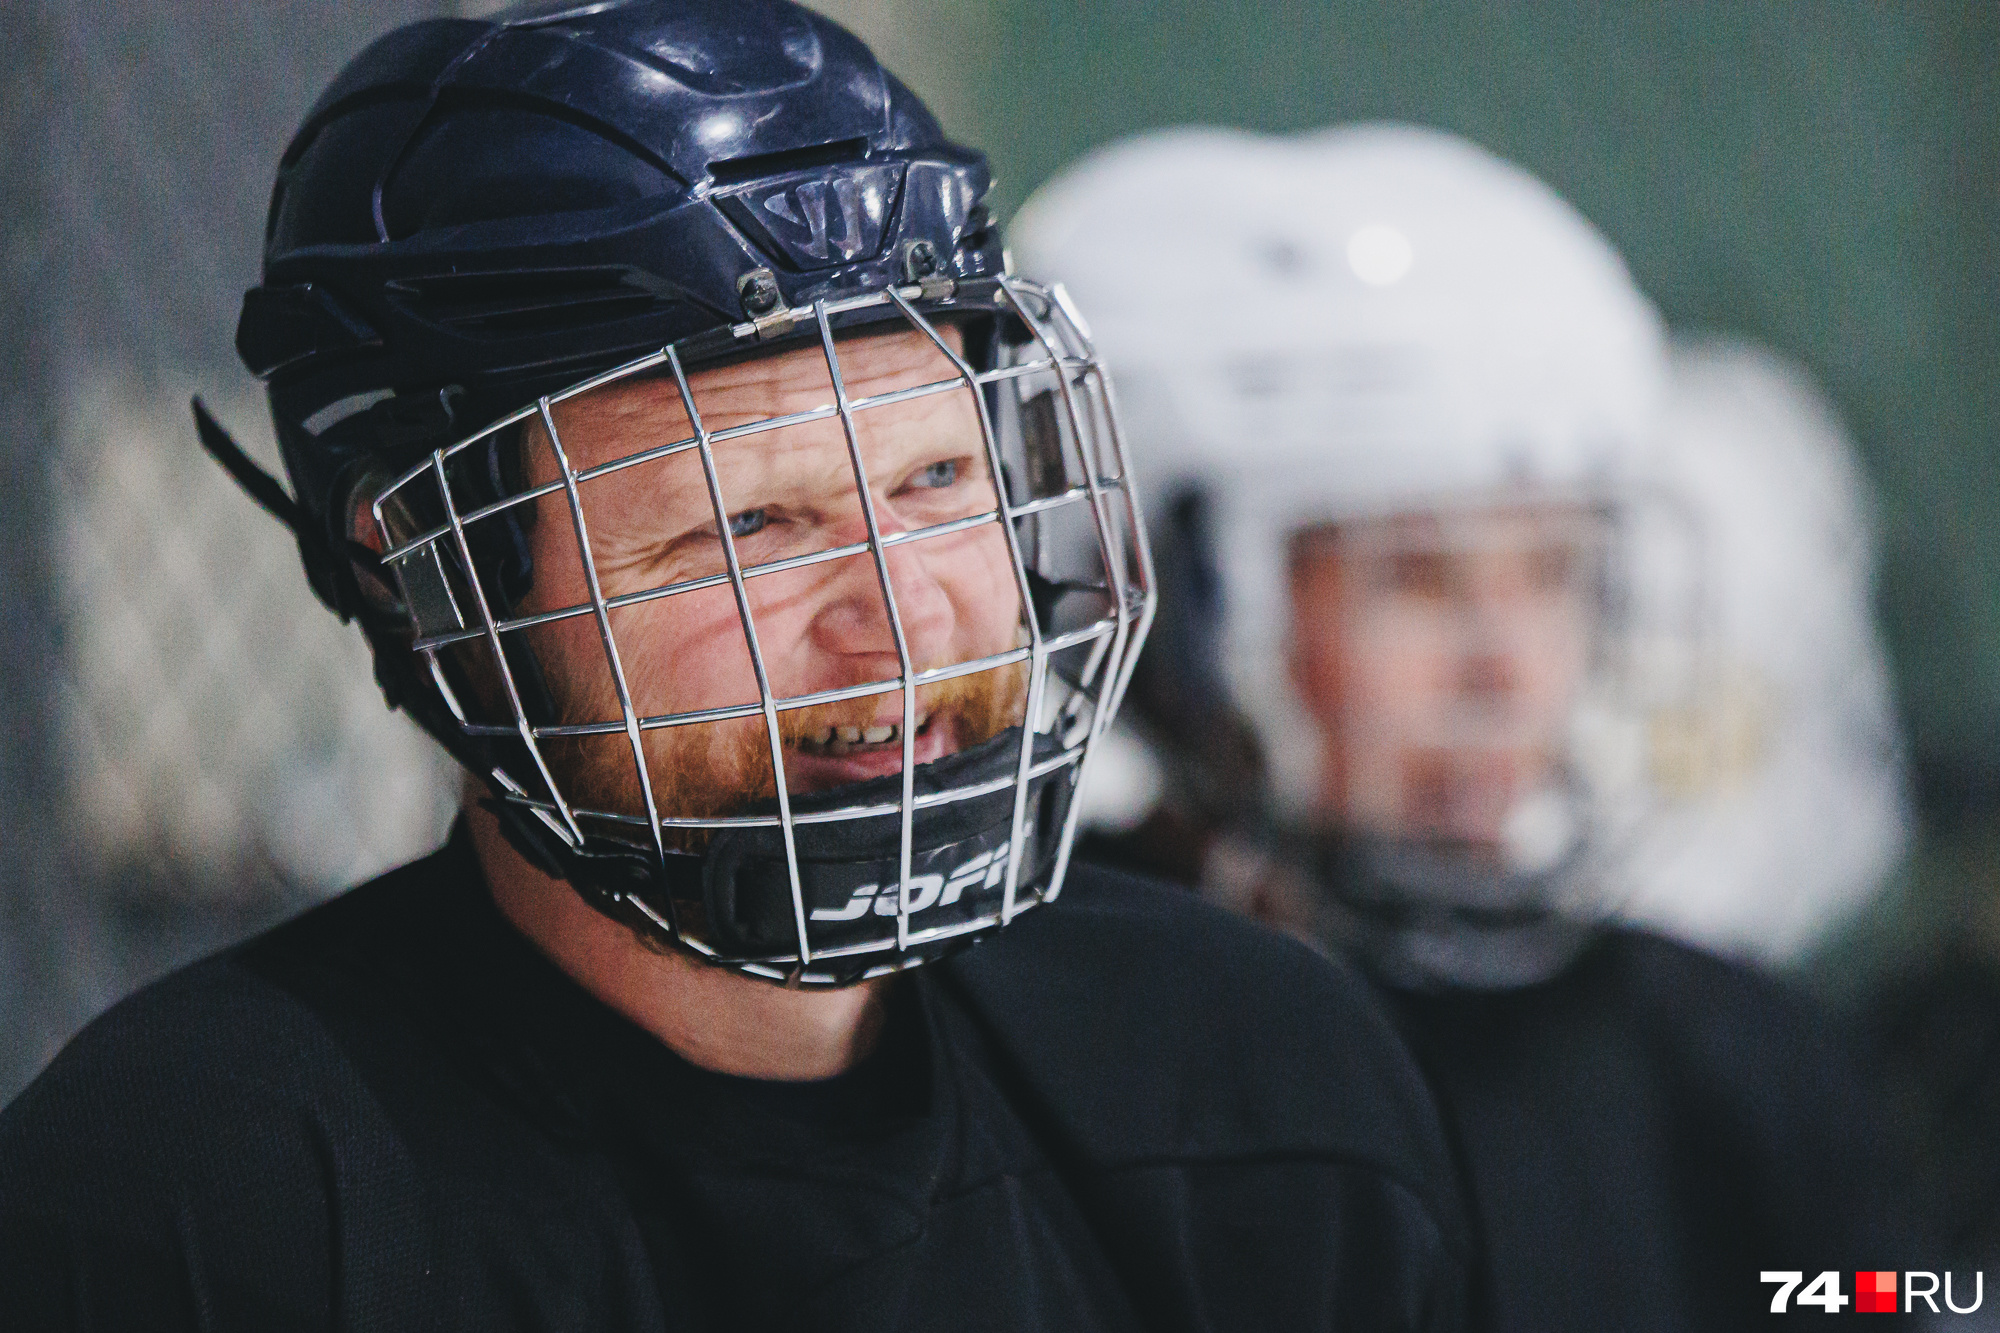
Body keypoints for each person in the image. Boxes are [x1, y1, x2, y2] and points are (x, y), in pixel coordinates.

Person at [0, 9, 1473, 1330]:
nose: (902, 620)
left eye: (941, 477)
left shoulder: (1258, 1087)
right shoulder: (205, 1209)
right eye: (749, 523)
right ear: (427, 570)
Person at [1015, 123, 1927, 1331]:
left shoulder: (1718, 1056)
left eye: (1550, 572)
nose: (1505, 666)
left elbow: (1880, 1297)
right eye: (1415, 583)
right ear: (1171, 609)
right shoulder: (1028, 1038)